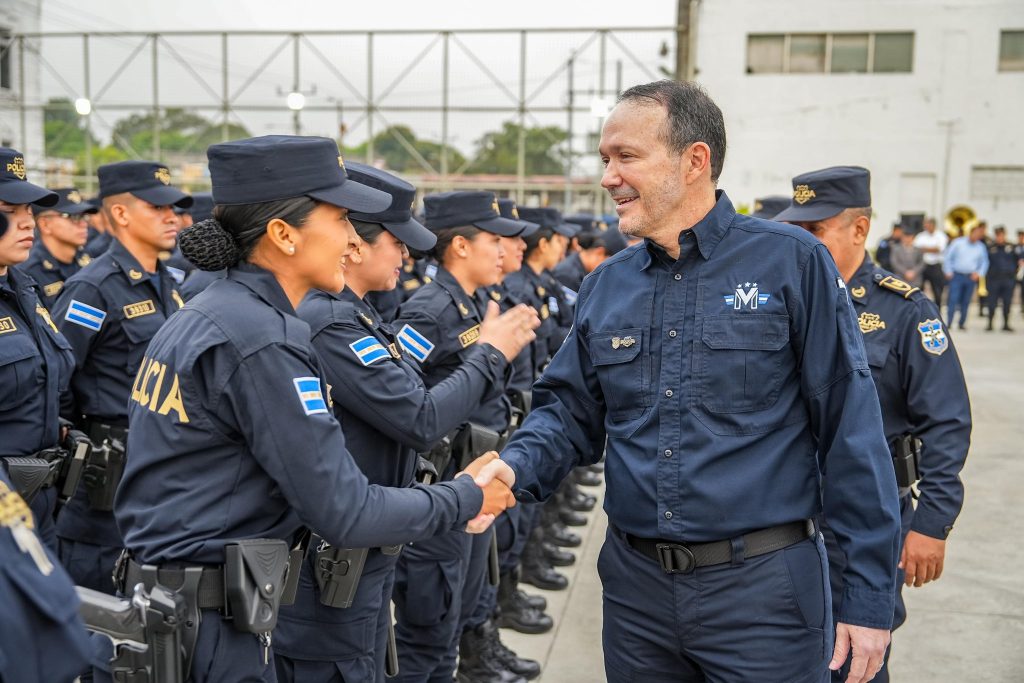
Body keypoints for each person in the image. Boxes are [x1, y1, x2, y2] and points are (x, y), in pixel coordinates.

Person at [476, 80, 901, 683]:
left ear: (694, 160)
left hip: (763, 594)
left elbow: (851, 433)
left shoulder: (790, 264)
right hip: (637, 596)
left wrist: (866, 597)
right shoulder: (608, 285)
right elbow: (568, 412)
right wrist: (514, 466)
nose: (607, 177)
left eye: (626, 157)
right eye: (605, 159)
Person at [114, 135, 515, 682]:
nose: (353, 241)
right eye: (342, 220)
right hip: (208, 626)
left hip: (177, 613)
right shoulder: (262, 338)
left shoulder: (210, 312)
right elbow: (346, 512)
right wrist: (465, 496)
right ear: (283, 234)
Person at [276, 163, 539, 683]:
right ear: (354, 244)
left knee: (432, 631)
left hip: (413, 506)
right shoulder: (356, 318)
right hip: (380, 518)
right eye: (396, 243)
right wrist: (488, 354)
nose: (406, 255)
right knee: (422, 637)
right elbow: (415, 411)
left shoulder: (363, 316)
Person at [775, 165, 972, 683]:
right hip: (780, 516)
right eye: (795, 229)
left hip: (865, 518)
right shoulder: (778, 302)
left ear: (858, 230)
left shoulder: (906, 311)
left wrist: (932, 522)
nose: (801, 241)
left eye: (815, 230)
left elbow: (947, 421)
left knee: (854, 655)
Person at [388, 190, 533, 683]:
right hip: (440, 490)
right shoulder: (429, 310)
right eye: (493, 239)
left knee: (457, 614)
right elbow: (401, 399)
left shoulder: (470, 305)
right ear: (460, 246)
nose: (503, 250)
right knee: (428, 630)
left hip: (471, 484)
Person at [51, 161, 193, 602]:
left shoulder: (167, 282)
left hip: (160, 476)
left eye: (175, 208)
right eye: (158, 207)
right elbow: (57, 376)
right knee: (104, 627)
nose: (173, 217)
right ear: (121, 214)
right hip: (103, 487)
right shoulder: (94, 288)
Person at [0, 151, 79, 554]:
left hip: (43, 507)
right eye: (9, 211)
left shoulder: (23, 289)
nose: (27, 221)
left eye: (27, 210)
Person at [20, 187, 97, 308]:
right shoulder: (27, 272)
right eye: (73, 217)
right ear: (45, 224)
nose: (83, 224)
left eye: (84, 216)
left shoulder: (91, 262)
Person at [943, 224, 989, 330]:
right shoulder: (958, 243)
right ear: (971, 232)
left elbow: (984, 262)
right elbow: (948, 257)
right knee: (953, 299)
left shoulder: (980, 247)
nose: (978, 236)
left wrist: (979, 273)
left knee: (966, 301)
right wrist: (948, 271)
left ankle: (961, 323)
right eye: (976, 233)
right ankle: (949, 322)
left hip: (970, 277)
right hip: (957, 276)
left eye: (980, 234)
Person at [985, 227, 1017, 332]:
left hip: (1008, 279)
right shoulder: (990, 248)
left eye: (1002, 235)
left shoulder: (1011, 247)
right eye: (998, 235)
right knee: (992, 303)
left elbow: (1018, 261)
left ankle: (1006, 324)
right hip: (994, 279)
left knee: (1007, 303)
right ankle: (990, 324)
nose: (1000, 238)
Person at [913, 217, 948, 305]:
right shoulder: (920, 236)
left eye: (927, 224)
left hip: (936, 266)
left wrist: (924, 249)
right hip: (923, 265)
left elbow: (939, 249)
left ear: (933, 225)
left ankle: (937, 311)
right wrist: (932, 248)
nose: (925, 226)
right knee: (919, 289)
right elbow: (916, 249)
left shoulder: (941, 235)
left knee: (937, 291)